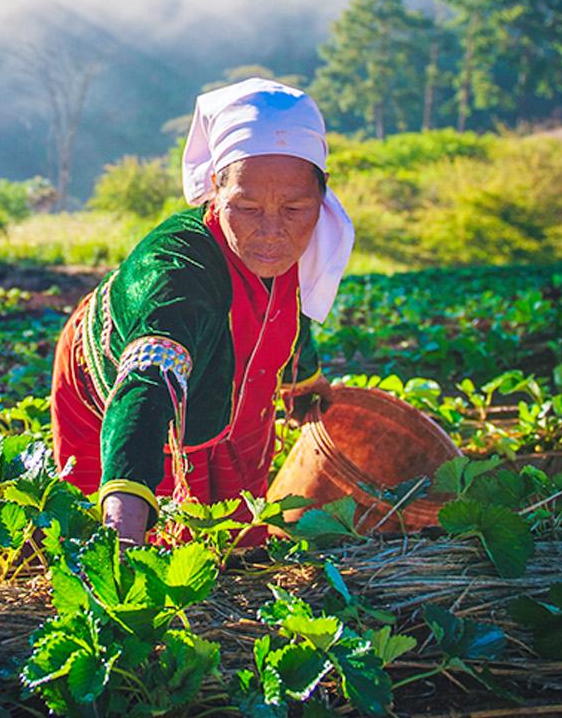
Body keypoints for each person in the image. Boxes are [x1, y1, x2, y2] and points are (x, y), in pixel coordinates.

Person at [50, 77, 355, 544]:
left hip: (221, 372)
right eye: (247, 207)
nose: (272, 231)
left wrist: (309, 391)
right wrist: (120, 540)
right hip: (118, 379)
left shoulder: (301, 247)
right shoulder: (178, 272)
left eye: (294, 207)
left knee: (235, 536)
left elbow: (287, 322)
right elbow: (148, 390)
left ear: (322, 192)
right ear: (216, 187)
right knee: (164, 538)